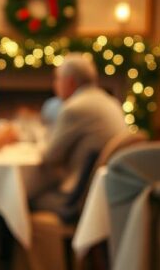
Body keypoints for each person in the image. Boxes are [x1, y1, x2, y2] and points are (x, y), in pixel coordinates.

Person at [26, 53, 127, 213]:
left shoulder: (75, 108)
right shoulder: (111, 102)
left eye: (57, 79)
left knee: (22, 198)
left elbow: (50, 157)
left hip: (78, 199)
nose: (55, 84)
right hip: (107, 193)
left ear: (70, 82)